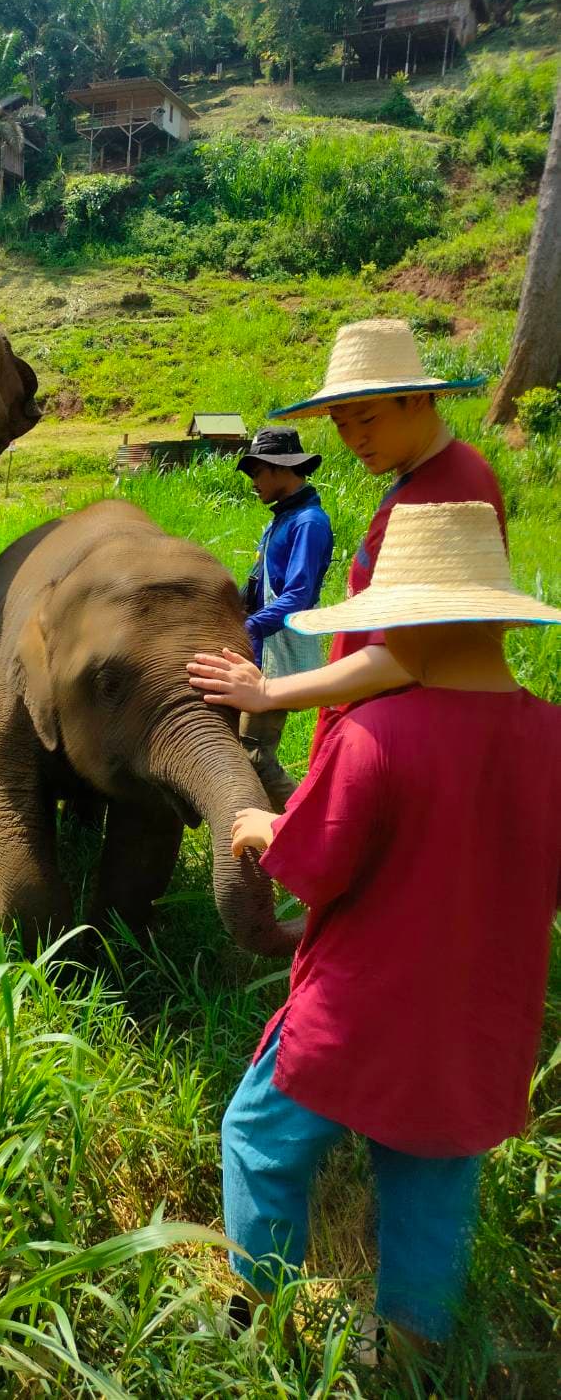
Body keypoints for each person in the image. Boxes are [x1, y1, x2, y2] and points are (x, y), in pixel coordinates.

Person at [220, 501, 561, 1359]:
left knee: (259, 1139)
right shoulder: (552, 736)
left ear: (412, 621)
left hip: (355, 1012)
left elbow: (314, 864)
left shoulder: (376, 734)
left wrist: (260, 830)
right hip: (480, 1018)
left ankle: (262, 1319)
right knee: (434, 1171)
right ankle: (410, 1351)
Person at [188, 319, 502, 757]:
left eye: (368, 419)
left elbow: (411, 655)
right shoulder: (415, 484)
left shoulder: (447, 491)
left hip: (402, 739)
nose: (355, 439)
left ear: (415, 399)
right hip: (372, 721)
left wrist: (267, 691)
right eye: (340, 424)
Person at [235, 427, 333, 809]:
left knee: (254, 757)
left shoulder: (308, 522)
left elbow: (298, 595)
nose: (254, 482)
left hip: (279, 647)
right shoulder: (282, 519)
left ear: (280, 469)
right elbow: (260, 585)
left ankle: (307, 831)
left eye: (257, 472)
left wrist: (251, 625)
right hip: (260, 645)